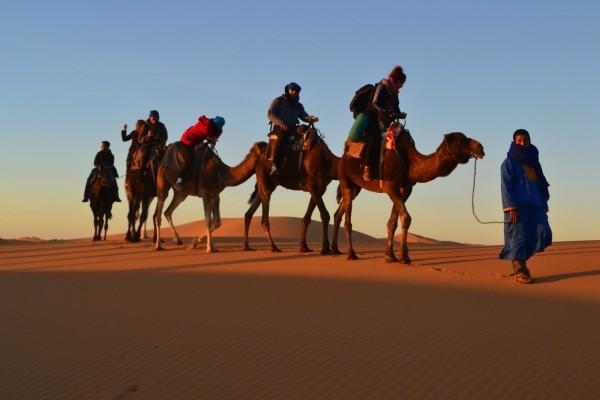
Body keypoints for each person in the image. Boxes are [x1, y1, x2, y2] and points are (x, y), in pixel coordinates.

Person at [499, 129, 552, 284]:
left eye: (525, 140)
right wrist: (510, 207)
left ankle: (519, 259)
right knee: (518, 237)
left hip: (536, 205)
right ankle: (519, 269)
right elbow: (506, 186)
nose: (522, 143)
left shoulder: (534, 164)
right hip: (517, 207)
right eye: (519, 140)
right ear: (514, 142)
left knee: (544, 233)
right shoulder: (508, 163)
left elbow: (541, 185)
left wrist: (543, 203)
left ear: (529, 141)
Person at [346, 66, 407, 181]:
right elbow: (374, 103)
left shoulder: (394, 93)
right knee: (374, 136)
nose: (401, 86)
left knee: (400, 136)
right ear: (396, 80)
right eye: (401, 83)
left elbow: (395, 107)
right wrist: (385, 111)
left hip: (385, 119)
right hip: (372, 116)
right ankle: (367, 167)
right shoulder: (382, 86)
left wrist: (399, 114)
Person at [266, 82, 319, 175]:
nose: (294, 92)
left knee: (310, 135)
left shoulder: (298, 106)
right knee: (282, 138)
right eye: (292, 90)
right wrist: (280, 122)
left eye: (297, 91)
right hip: (280, 127)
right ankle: (274, 165)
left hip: (293, 127)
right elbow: (270, 114)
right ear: (288, 90)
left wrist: (311, 118)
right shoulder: (278, 101)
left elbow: (304, 116)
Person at [172, 115, 225, 191]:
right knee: (189, 161)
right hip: (188, 141)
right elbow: (209, 136)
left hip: (197, 142)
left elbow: (213, 137)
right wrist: (212, 140)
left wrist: (213, 140)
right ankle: (179, 182)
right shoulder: (205, 125)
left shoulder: (214, 129)